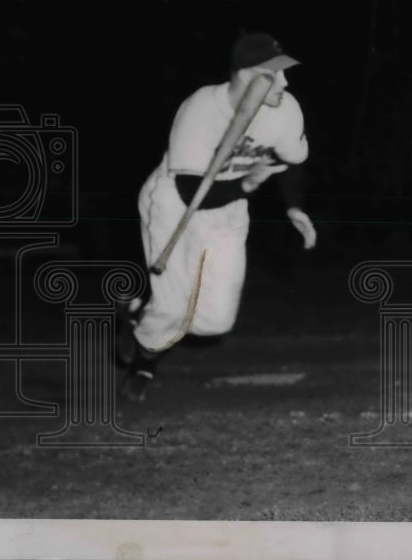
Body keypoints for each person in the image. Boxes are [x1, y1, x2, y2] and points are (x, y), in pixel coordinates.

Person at [121, 32, 318, 402]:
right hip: (174, 204)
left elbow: (292, 160)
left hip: (228, 208)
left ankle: (139, 313)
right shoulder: (201, 109)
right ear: (245, 75)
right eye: (273, 74)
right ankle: (144, 358)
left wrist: (294, 206)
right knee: (172, 309)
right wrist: (247, 184)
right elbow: (189, 190)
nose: (284, 82)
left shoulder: (285, 109)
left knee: (214, 322)